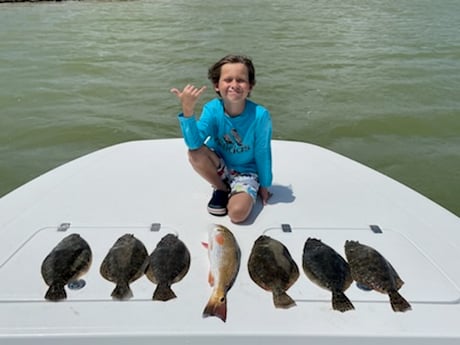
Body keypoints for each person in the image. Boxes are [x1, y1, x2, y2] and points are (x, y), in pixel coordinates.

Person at [171, 54, 272, 224]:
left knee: (237, 214)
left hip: (246, 171)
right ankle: (221, 188)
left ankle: (238, 192)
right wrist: (188, 110)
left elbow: (263, 151)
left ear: (250, 86)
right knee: (195, 153)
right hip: (220, 165)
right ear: (217, 85)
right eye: (228, 80)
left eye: (241, 80)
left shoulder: (260, 115)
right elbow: (194, 143)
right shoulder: (212, 109)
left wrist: (265, 184)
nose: (234, 85)